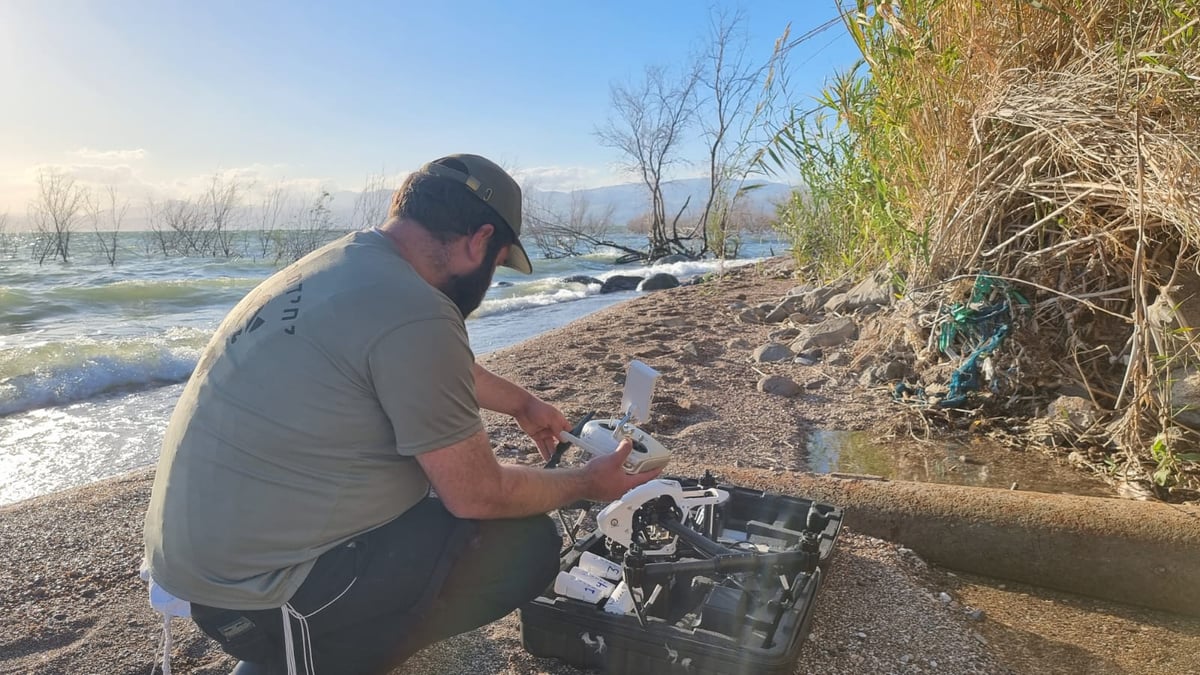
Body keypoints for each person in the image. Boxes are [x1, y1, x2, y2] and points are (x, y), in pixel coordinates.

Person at [143, 154, 662, 675]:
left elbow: (417, 359)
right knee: (523, 546)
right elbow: (478, 494)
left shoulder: (342, 265)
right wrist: (585, 482)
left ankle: (317, 640)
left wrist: (523, 404)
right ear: (480, 240)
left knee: (424, 480)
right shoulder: (418, 311)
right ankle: (313, 657)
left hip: (192, 567)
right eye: (498, 263)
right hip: (256, 597)